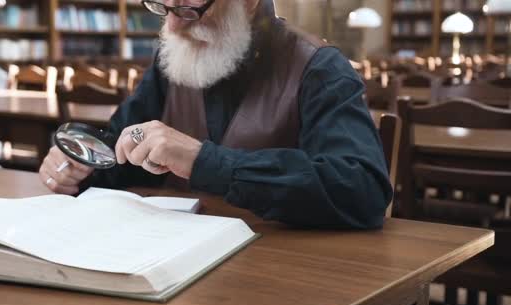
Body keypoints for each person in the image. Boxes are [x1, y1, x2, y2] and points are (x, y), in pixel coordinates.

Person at [39, 0, 393, 229]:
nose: (173, 28)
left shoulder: (319, 68)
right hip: (170, 261)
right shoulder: (173, 59)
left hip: (283, 274)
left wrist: (203, 161)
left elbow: (362, 190)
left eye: (189, 9)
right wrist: (81, 167)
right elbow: (120, 147)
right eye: (163, 8)